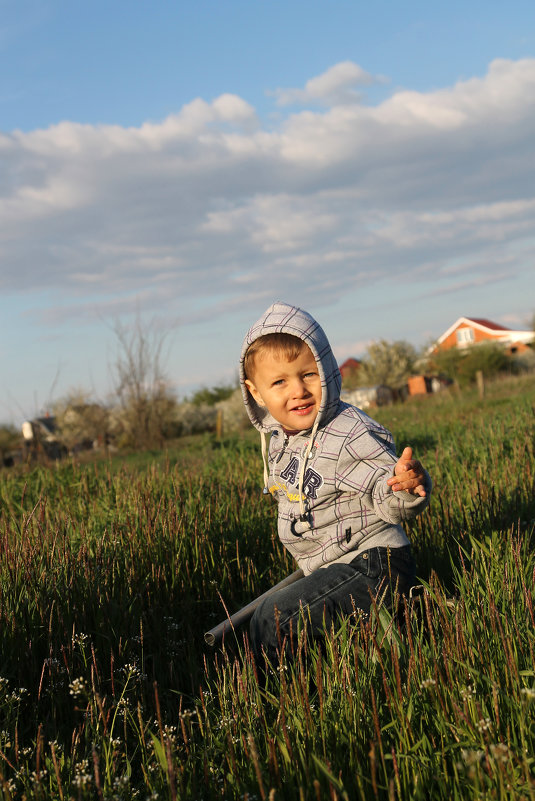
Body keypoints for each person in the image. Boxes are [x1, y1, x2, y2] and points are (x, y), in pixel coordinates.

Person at [239, 301, 432, 669]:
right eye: (279, 381)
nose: (298, 390)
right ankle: (339, 669)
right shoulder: (281, 441)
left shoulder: (347, 430)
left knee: (274, 620)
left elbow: (382, 487)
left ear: (327, 370)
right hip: (337, 567)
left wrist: (404, 487)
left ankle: (289, 709)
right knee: (264, 615)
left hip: (376, 566)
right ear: (257, 393)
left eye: (308, 374)